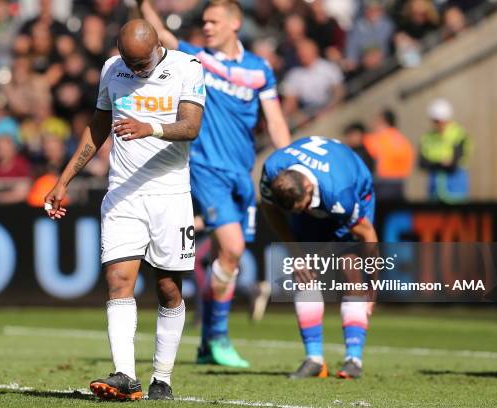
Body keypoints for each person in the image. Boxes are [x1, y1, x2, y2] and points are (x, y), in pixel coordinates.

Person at [44, 19, 205, 401]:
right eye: (129, 63)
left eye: (141, 64)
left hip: (170, 196)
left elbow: (191, 126)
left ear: (156, 48)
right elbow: (98, 127)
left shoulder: (187, 67)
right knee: (118, 281)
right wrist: (63, 180)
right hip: (123, 194)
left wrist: (151, 128)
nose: (134, 71)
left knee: (168, 289)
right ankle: (125, 376)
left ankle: (162, 378)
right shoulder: (111, 69)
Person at [139, 0, 291, 368]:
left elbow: (274, 120)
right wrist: (143, 4)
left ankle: (208, 340)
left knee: (228, 260)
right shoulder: (195, 58)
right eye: (204, 21)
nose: (206, 26)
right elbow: (161, 36)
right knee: (234, 248)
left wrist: (288, 162)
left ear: (235, 23)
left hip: (243, 172)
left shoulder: (259, 70)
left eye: (214, 21)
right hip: (207, 168)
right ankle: (218, 338)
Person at [260, 136, 378, 379]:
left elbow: (368, 234)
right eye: (297, 211)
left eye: (303, 207)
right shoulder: (272, 169)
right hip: (321, 190)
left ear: (308, 188)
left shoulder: (340, 194)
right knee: (304, 273)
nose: (302, 212)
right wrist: (296, 252)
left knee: (351, 269)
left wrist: (373, 286)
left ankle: (353, 359)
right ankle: (314, 359)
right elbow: (270, 208)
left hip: (355, 191)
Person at [419, 98, 472, 203]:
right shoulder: (428, 137)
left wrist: (436, 163)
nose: (437, 124)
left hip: (456, 190)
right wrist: (440, 163)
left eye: (439, 121)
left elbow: (454, 163)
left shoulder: (459, 134)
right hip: (435, 190)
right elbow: (422, 163)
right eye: (434, 120)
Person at [364, 109, 414, 201]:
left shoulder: (378, 138)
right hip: (400, 182)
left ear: (383, 121)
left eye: (377, 120)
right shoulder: (401, 139)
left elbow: (363, 147)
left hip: (383, 182)